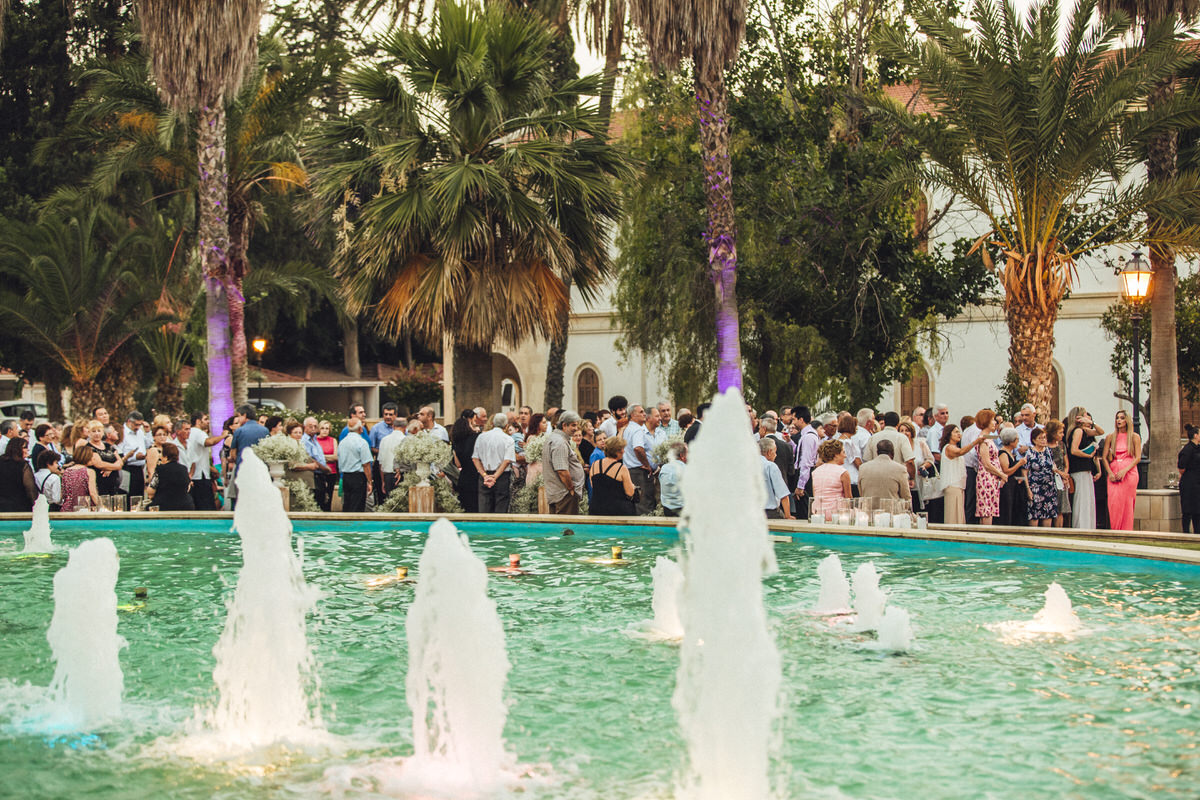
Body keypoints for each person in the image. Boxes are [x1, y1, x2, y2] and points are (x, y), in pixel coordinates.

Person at [1102, 410, 1142, 531]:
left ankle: (1126, 531)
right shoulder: (1110, 437)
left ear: (1127, 420)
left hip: (1129, 473)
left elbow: (1138, 457)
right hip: (1113, 473)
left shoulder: (1134, 437)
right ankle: (1115, 530)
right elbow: (1104, 457)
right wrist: (1110, 473)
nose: (1119, 420)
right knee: (1114, 503)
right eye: (1117, 418)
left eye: (1122, 418)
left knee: (1127, 504)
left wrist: (1125, 471)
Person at [1066, 407, 1104, 529]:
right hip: (1079, 469)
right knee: (1082, 499)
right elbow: (1074, 450)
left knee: (1088, 498)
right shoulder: (1078, 431)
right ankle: (1081, 526)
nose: (1087, 416)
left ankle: (1088, 525)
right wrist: (1087, 455)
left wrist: (1092, 423)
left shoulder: (1084, 430)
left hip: (1085, 469)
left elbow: (1100, 432)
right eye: (1085, 415)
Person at [472, 413, 516, 513]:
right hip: (502, 476)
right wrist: (494, 477)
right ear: (506, 426)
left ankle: (484, 527)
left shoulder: (481, 437)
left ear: (492, 423)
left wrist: (485, 475)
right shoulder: (508, 439)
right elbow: (507, 460)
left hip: (484, 475)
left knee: (484, 506)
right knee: (501, 506)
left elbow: (475, 459)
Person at [544, 411, 585, 515]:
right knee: (566, 528)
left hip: (560, 493)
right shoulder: (560, 442)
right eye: (573, 425)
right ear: (564, 425)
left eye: (577, 425)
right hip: (564, 494)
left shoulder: (556, 438)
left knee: (559, 528)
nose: (576, 428)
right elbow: (562, 470)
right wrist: (571, 489)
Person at [589, 435, 637, 516]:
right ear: (617, 451)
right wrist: (633, 486)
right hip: (617, 511)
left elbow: (593, 485)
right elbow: (630, 493)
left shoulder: (594, 465)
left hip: (596, 508)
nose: (624, 451)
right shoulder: (621, 468)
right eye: (622, 449)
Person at [622, 405, 656, 515]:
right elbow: (638, 448)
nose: (644, 414)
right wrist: (646, 464)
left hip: (631, 470)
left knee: (635, 502)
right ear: (632, 415)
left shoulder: (629, 428)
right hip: (639, 471)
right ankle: (644, 529)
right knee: (643, 504)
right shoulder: (637, 429)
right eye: (641, 412)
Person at [187, 412, 223, 511]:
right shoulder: (199, 433)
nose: (208, 422)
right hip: (200, 476)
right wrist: (223, 436)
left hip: (194, 475)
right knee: (205, 507)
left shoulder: (189, 433)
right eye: (205, 419)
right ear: (198, 421)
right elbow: (209, 442)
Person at [974, 409, 1004, 525]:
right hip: (987, 477)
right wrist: (1001, 474)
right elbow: (986, 463)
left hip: (992, 478)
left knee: (990, 508)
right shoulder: (983, 439)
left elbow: (998, 437)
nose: (995, 423)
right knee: (986, 509)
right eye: (992, 420)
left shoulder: (988, 437)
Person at [858, 439, 911, 503]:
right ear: (893, 453)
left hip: (868, 510)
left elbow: (861, 493)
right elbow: (906, 497)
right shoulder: (900, 469)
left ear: (877, 452)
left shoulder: (863, 468)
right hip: (891, 511)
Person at [338, 418, 373, 512]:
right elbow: (366, 464)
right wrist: (369, 481)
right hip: (358, 476)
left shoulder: (342, 443)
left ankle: (346, 525)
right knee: (357, 506)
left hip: (346, 475)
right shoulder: (362, 442)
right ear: (360, 429)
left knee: (347, 504)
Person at [1024, 427, 1057, 527]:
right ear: (1034, 440)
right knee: (1035, 515)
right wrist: (1028, 489)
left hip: (1049, 487)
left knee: (1048, 515)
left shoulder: (1048, 451)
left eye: (1044, 438)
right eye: (1040, 438)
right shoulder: (1030, 453)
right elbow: (1025, 472)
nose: (1043, 440)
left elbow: (1052, 464)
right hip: (1036, 488)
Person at [147, 442, 194, 511]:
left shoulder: (160, 469)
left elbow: (150, 491)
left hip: (164, 506)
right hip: (185, 506)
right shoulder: (184, 469)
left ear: (166, 457)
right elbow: (187, 488)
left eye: (161, 454)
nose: (159, 456)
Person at [791, 406, 819, 520]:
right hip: (805, 474)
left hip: (805, 477)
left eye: (794, 419)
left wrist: (800, 486)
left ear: (801, 419)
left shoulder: (808, 437)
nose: (793, 423)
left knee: (803, 512)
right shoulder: (807, 436)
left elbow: (805, 463)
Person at [811, 438, 851, 517]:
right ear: (836, 454)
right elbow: (848, 499)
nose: (845, 456)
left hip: (818, 513)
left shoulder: (815, 472)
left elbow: (815, 495)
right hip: (836, 514)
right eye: (843, 452)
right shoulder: (843, 472)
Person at [996, 427, 1028, 526]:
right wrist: (1019, 464)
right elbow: (1006, 472)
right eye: (1017, 439)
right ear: (1011, 441)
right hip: (1007, 487)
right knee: (1007, 511)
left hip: (1014, 486)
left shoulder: (1011, 452)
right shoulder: (1003, 453)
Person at [938, 424, 969, 524]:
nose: (958, 434)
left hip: (959, 486)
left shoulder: (954, 447)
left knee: (959, 515)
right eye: (955, 432)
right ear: (949, 434)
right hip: (952, 485)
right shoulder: (949, 448)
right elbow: (960, 452)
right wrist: (976, 442)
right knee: (953, 517)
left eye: (959, 431)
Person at [118, 411, 151, 498]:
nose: (138, 427)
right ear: (129, 421)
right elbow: (119, 453)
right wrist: (134, 457)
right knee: (128, 496)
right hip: (127, 468)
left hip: (140, 469)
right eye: (136, 424)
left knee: (139, 496)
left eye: (140, 424)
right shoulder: (122, 432)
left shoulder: (140, 431)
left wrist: (148, 432)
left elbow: (149, 445)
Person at [1045, 419, 1071, 527]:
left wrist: (1065, 476)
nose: (1062, 435)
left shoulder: (1061, 445)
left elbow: (1066, 463)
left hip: (1061, 479)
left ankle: (1059, 529)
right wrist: (1061, 474)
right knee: (1051, 508)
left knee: (1061, 508)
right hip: (1050, 477)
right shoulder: (1045, 446)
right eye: (1060, 432)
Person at [284, 420, 323, 491]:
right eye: (295, 432)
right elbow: (292, 465)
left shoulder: (301, 445)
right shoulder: (289, 446)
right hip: (296, 484)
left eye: (300, 433)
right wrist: (309, 466)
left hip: (307, 484)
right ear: (289, 434)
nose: (298, 434)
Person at [62, 444, 103, 512]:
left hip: (67, 509)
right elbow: (93, 493)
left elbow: (64, 493)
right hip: (84, 509)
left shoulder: (67, 471)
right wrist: (102, 507)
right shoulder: (89, 472)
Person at [0, 437, 36, 511]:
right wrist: (35, 505)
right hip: (20, 506)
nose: (27, 450)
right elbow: (30, 489)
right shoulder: (23, 466)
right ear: (17, 449)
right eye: (25, 447)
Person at [760, 438, 792, 519]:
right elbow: (783, 494)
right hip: (770, 512)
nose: (776, 455)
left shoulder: (748, 464)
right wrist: (788, 516)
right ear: (769, 452)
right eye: (775, 451)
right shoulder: (770, 466)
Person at [1178, 424, 1200, 534]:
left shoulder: (1198, 448)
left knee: (1197, 510)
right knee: (1187, 510)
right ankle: (1186, 533)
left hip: (1197, 483)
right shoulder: (1187, 449)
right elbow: (1181, 466)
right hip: (1188, 484)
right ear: (1196, 435)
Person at [658, 441, 687, 517]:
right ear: (682, 455)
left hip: (667, 510)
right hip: (683, 510)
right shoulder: (686, 469)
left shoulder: (664, 469)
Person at [315, 419, 338, 511]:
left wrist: (321, 457)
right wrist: (329, 457)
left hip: (332, 472)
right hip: (319, 472)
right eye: (323, 428)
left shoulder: (333, 440)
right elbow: (313, 457)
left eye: (327, 428)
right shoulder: (314, 440)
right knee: (320, 495)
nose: (325, 430)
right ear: (319, 429)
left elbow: (336, 457)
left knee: (329, 496)